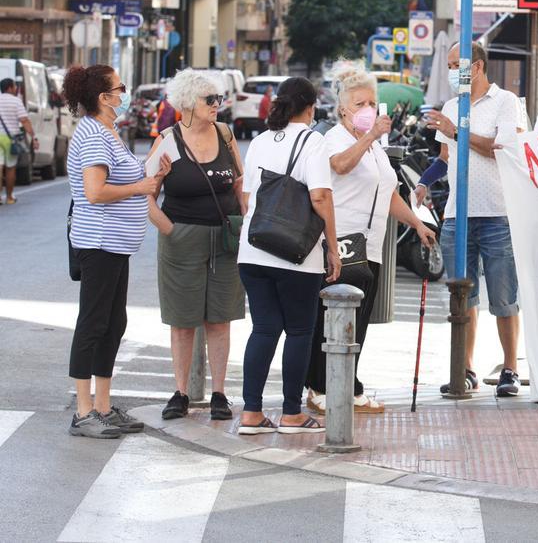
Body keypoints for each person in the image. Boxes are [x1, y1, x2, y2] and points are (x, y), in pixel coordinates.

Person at [305, 62, 436, 414]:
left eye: (371, 103)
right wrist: (370, 136)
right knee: (332, 317)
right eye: (359, 104)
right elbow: (341, 165)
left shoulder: (377, 147)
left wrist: (418, 222)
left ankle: (348, 383)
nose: (367, 110)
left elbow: (390, 193)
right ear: (343, 107)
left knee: (359, 319)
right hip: (341, 240)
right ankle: (319, 386)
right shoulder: (334, 138)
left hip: (372, 244)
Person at [63, 65, 171, 438]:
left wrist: (153, 174)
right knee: (93, 324)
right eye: (119, 88)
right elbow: (95, 192)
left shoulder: (109, 131)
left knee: (113, 323)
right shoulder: (93, 134)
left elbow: (129, 179)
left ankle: (104, 406)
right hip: (99, 243)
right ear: (103, 97)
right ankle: (83, 411)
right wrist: (141, 187)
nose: (124, 94)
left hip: (116, 244)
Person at [237, 77, 340, 435]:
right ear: (311, 107)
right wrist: (333, 246)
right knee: (299, 330)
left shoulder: (260, 141)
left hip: (252, 250)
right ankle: (291, 413)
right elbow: (321, 198)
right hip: (296, 253)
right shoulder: (314, 141)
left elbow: (247, 198)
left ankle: (251, 413)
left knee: (264, 328)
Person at [424, 41, 524, 396]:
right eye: (449, 65)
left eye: (457, 65)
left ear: (477, 66)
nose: (452, 72)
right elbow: (445, 156)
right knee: (462, 297)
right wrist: (423, 183)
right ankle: (464, 367)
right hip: (456, 215)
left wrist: (456, 131)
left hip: (497, 212)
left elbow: (502, 148)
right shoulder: (452, 105)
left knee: (503, 296)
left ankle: (510, 367)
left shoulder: (506, 102)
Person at [145, 70, 246, 421]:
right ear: (188, 103)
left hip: (225, 237)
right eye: (210, 100)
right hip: (182, 237)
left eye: (218, 98)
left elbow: (239, 184)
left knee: (220, 318)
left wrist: (245, 223)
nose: (217, 105)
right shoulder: (168, 141)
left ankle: (219, 393)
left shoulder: (225, 133)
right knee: (183, 320)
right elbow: (148, 194)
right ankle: (181, 392)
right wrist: (170, 229)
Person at [0, 77, 37, 204]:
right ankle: (9, 197)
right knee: (10, 168)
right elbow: (24, 121)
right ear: (9, 88)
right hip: (10, 140)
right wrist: (34, 137)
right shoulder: (16, 101)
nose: (16, 89)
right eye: (14, 86)